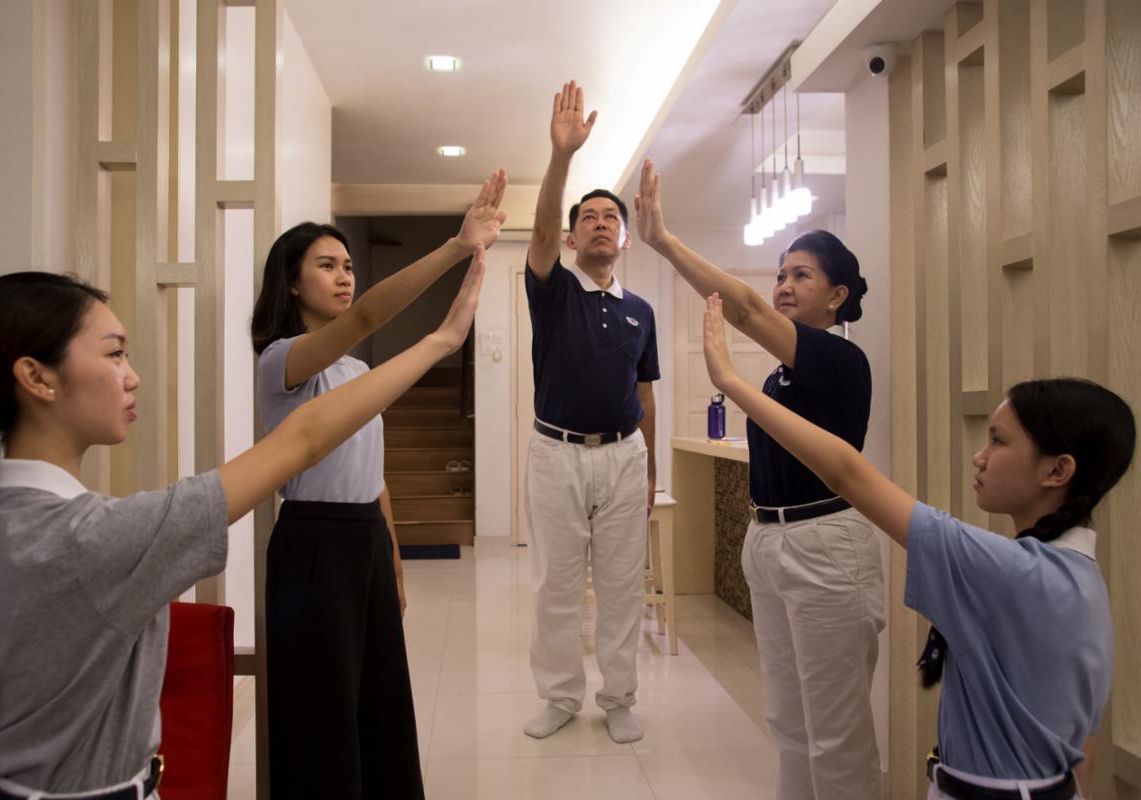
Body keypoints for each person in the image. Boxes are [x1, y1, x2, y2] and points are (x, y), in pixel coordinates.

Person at [0, 254, 484, 799]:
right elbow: (303, 439)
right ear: (36, 377)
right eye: (114, 354)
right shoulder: (92, 540)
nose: (132, 376)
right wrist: (441, 340)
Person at [702, 293, 1133, 800]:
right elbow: (1086, 744)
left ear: (1057, 469)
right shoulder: (1082, 580)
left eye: (998, 441)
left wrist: (730, 381)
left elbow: (846, 472)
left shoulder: (1008, 570)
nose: (979, 456)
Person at [250, 170, 506, 797]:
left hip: (363, 537)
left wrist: (390, 555)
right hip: (311, 543)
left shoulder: (353, 368)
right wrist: (454, 248)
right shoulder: (281, 360)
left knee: (379, 696)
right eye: (326, 265)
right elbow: (366, 315)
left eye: (347, 264)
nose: (344, 276)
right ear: (290, 281)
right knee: (320, 705)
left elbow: (375, 474)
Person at [634, 160, 882, 798]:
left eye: (802, 275)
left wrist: (662, 239)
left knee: (835, 731)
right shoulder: (781, 374)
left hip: (827, 545)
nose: (782, 286)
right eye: (778, 275)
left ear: (838, 296)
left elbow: (740, 309)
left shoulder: (841, 359)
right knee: (789, 720)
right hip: (770, 542)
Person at [522, 81, 659, 745]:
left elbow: (647, 394)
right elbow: (542, 227)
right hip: (557, 455)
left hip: (625, 456)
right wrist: (561, 157)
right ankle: (559, 696)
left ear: (625, 238)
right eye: (590, 217)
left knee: (622, 584)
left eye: (612, 217)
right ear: (573, 235)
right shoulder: (551, 291)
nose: (601, 222)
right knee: (555, 584)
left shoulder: (642, 311)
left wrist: (651, 466)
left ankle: (620, 696)